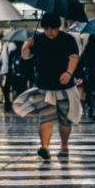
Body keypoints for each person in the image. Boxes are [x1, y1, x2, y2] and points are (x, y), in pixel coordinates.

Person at [20, 14, 81, 162]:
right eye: (46, 29)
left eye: (53, 29)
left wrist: (68, 72)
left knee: (65, 120)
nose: (50, 32)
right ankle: (45, 147)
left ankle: (64, 146)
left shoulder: (68, 39)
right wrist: (27, 45)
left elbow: (74, 57)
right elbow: (25, 57)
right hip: (43, 85)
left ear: (58, 27)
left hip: (64, 86)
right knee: (45, 118)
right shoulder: (38, 40)